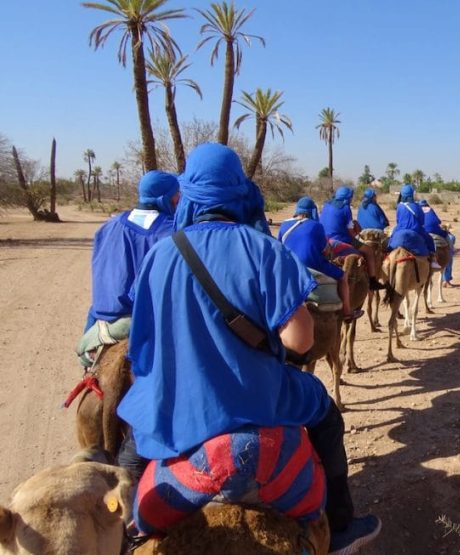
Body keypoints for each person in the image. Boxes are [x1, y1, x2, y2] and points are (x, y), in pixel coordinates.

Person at [116, 144, 380, 554]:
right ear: (238, 189)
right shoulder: (263, 249)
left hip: (178, 407)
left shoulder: (160, 254)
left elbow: (141, 347)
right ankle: (342, 526)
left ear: (188, 193)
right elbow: (301, 341)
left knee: (130, 449)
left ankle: (127, 532)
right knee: (326, 417)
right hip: (260, 399)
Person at [84, 170, 180, 331]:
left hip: (98, 322)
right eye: (176, 195)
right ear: (166, 198)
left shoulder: (108, 227)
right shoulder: (172, 232)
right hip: (143, 326)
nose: (178, 200)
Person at [279, 197, 364, 323]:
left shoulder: (284, 224)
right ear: (312, 211)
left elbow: (279, 245)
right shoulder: (316, 226)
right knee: (342, 277)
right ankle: (347, 312)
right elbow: (325, 251)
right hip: (313, 263)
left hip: (289, 265)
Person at [320, 186, 385, 291]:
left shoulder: (326, 205)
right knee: (369, 251)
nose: (351, 199)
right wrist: (357, 233)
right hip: (341, 239)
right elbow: (351, 232)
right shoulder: (346, 209)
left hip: (325, 240)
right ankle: (372, 281)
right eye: (350, 197)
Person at [387, 184, 440, 268]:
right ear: (411, 194)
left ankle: (387, 255)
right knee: (430, 239)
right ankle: (433, 259)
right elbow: (422, 221)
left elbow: (398, 220)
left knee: (391, 238)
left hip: (400, 229)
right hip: (415, 230)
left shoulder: (399, 206)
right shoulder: (417, 206)